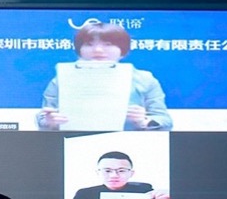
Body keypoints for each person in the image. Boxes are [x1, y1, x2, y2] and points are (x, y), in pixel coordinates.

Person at [37, 21, 172, 131]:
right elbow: (43, 118)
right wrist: (51, 122)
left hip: (130, 145)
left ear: (122, 50)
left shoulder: (144, 79)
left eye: (108, 44)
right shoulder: (62, 79)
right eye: (89, 44)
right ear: (79, 50)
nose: (98, 50)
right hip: (72, 142)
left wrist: (143, 121)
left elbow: (165, 121)